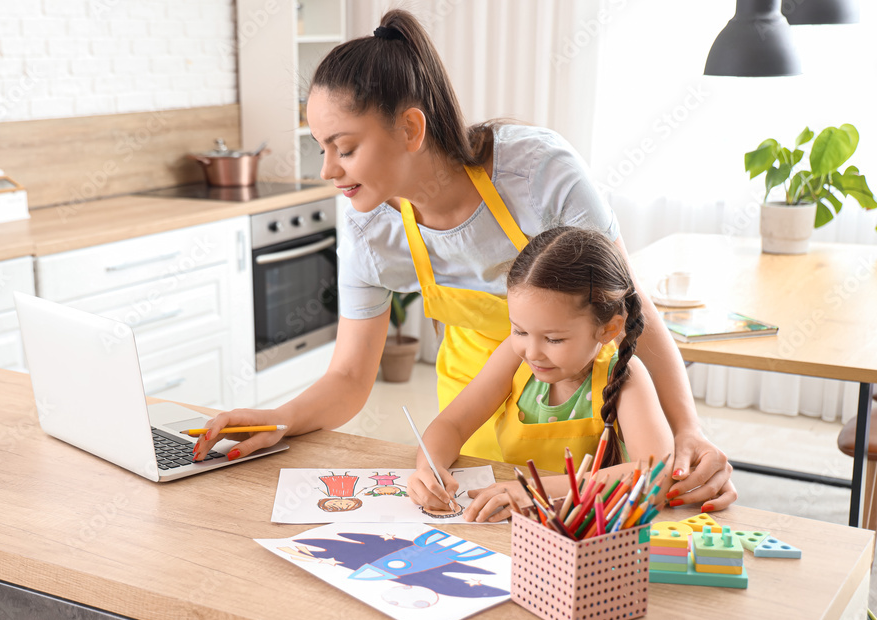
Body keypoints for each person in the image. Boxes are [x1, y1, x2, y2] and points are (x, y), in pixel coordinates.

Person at [193, 9, 736, 510]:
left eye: (345, 147)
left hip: (580, 428)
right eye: (321, 148)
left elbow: (629, 305)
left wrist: (686, 427)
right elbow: (352, 375)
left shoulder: (539, 173)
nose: (327, 171)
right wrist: (283, 418)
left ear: (410, 128)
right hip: (474, 436)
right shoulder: (367, 223)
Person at [406, 227, 674, 522]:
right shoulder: (514, 356)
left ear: (608, 328)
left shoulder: (625, 376)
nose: (531, 352)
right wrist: (429, 467)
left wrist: (534, 490)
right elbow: (453, 424)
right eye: (519, 330)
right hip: (509, 525)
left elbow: (654, 476)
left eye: (554, 339)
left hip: (583, 537)